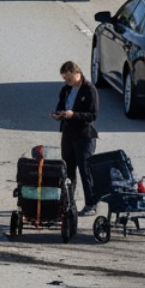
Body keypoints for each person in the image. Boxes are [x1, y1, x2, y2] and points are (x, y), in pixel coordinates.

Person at [53, 60, 100, 214]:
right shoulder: (66, 89)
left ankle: (91, 204)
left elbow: (93, 115)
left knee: (85, 170)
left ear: (77, 73)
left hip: (84, 135)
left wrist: (74, 115)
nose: (67, 81)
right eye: (64, 79)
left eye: (69, 78)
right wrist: (59, 114)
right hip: (68, 132)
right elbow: (60, 105)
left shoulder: (89, 89)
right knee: (68, 170)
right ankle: (68, 203)